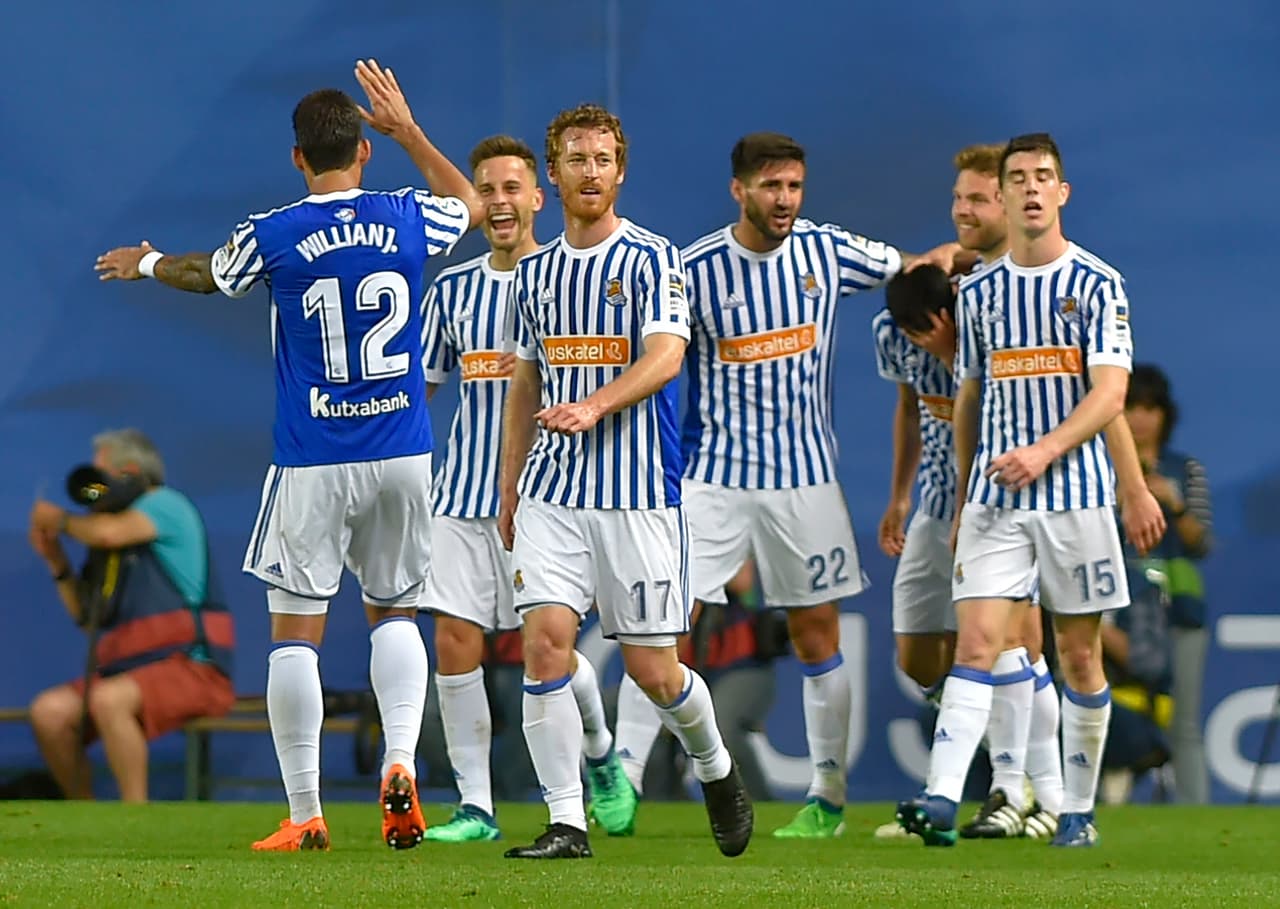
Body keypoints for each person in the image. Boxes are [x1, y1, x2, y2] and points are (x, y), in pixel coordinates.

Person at [94, 60, 484, 851]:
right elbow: (470, 206)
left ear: (298, 158)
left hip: (313, 455)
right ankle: (400, 762)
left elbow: (208, 276)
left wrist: (143, 261)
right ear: (363, 151)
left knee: (294, 633)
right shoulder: (408, 215)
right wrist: (407, 129)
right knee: (396, 611)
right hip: (404, 451)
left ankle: (306, 811)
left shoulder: (275, 232)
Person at [677, 131, 967, 839]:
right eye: (771, 186)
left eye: (795, 187)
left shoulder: (826, 249)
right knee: (660, 618)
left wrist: (958, 257)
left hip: (804, 478)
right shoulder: (692, 269)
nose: (785, 201)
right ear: (738, 189)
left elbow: (912, 268)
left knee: (816, 633)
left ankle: (827, 798)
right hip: (713, 473)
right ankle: (618, 769)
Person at [498, 102, 753, 860]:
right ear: (555, 172)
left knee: (653, 669)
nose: (589, 171)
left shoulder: (653, 259)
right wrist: (509, 485)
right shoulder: (535, 273)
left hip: (639, 497)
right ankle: (567, 821)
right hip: (551, 493)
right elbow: (523, 378)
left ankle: (716, 767)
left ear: (620, 170)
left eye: (602, 158)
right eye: (576, 158)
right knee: (543, 644)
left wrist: (596, 404)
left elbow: (668, 355)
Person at [896, 133, 1164, 848]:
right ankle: (941, 795)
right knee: (977, 643)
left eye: (1045, 177)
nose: (1033, 189)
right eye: (1019, 179)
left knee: (1079, 657)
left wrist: (1049, 453)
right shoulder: (979, 293)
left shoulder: (1099, 284)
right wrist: (958, 502)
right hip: (994, 502)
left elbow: (1110, 393)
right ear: (1006, 195)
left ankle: (1076, 807)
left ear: (1062, 192)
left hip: (1075, 498)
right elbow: (971, 396)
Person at [418, 134, 626, 842]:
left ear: (540, 197)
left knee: (552, 646)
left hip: (544, 495)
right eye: (487, 190)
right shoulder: (451, 288)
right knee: (452, 639)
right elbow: (424, 388)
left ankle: (598, 753)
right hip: (459, 494)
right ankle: (476, 804)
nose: (500, 203)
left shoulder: (568, 276)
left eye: (513, 188)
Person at [875, 145, 1063, 841]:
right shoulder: (927, 296)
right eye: (960, 198)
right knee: (921, 656)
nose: (965, 211)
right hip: (936, 503)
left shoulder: (1032, 293)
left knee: (1013, 641)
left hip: (1014, 500)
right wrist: (898, 495)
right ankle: (1017, 782)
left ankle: (1026, 793)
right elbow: (908, 405)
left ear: (1011, 205)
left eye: (979, 199)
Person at [28, 429, 235, 802]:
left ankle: (134, 814)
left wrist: (60, 521)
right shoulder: (103, 535)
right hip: (126, 672)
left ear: (131, 470)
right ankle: (87, 814)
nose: (96, 489)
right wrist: (56, 561)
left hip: (192, 667)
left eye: (102, 475)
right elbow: (87, 616)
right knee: (49, 713)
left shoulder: (164, 504)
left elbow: (108, 534)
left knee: (109, 700)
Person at [1125, 364, 1212, 803]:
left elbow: (1202, 544)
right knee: (1110, 704)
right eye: (1131, 408)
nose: (1140, 419)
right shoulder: (1101, 468)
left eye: (1149, 408)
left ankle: (1196, 814)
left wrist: (1172, 504)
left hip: (1179, 603)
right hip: (1117, 604)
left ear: (1164, 415)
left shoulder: (1185, 469)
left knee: (1185, 721)